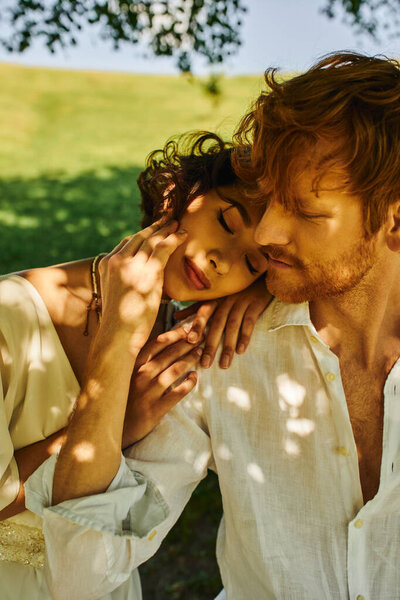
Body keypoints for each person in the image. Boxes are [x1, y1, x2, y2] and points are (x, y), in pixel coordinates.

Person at [26, 50, 400, 599]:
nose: (267, 232)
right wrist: (114, 351)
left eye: (305, 210)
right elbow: (82, 573)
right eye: (269, 199)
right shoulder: (218, 350)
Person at [0, 132, 272, 599]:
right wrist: (115, 426)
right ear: (180, 195)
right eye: (226, 223)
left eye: (251, 263)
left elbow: (133, 519)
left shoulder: (181, 347)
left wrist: (264, 292)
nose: (221, 264)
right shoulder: (10, 316)